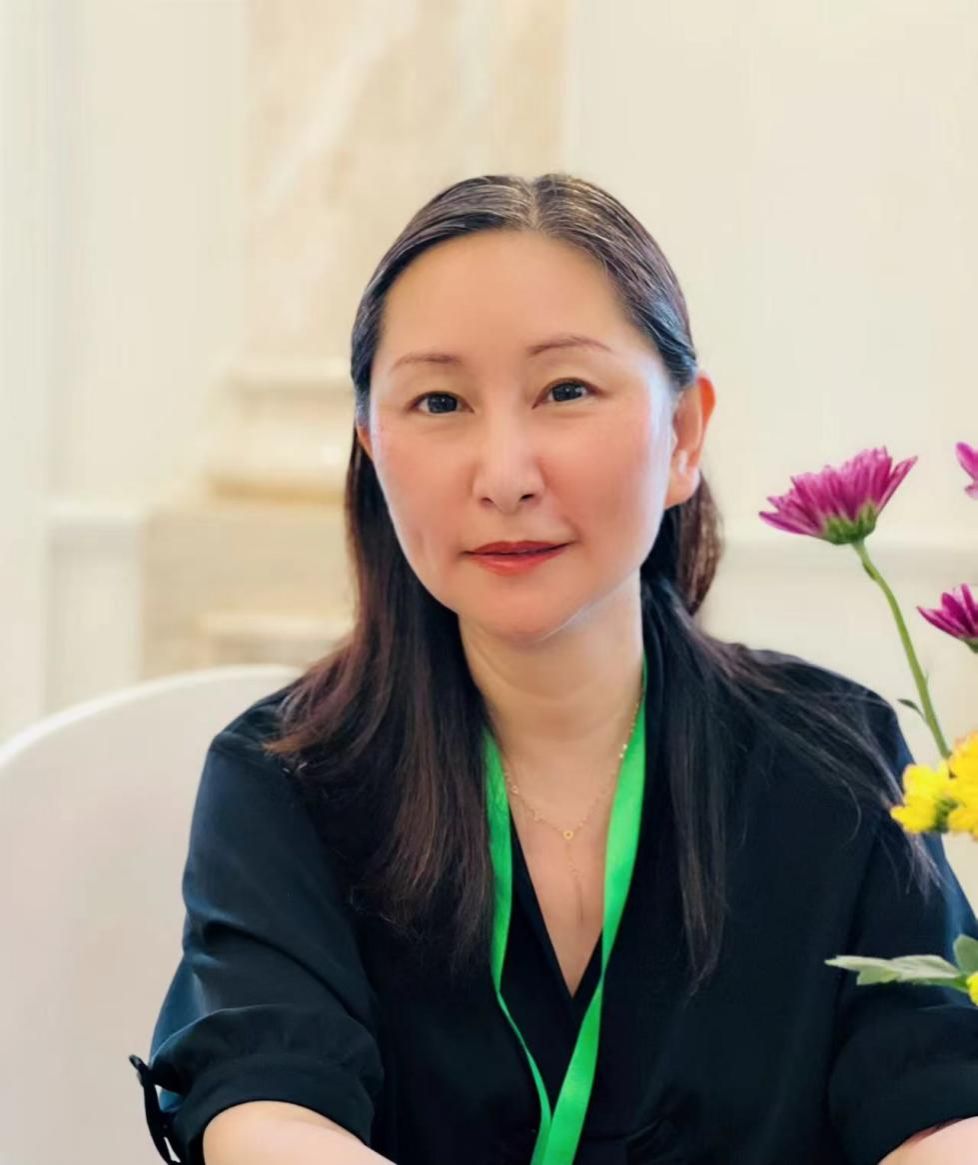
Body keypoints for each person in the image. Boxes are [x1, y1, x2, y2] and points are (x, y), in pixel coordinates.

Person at [130, 173, 978, 1165]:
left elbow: (939, 1095)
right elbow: (266, 1109)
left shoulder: (835, 757)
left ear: (683, 433)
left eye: (566, 391)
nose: (505, 476)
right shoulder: (286, 776)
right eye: (439, 401)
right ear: (372, 446)